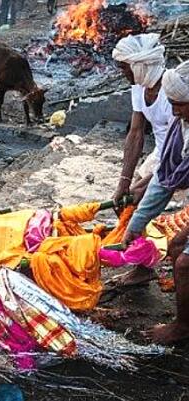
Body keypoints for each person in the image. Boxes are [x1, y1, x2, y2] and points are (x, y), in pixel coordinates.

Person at [122, 60, 189, 344]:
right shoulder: (182, 126)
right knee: (176, 246)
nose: (174, 111)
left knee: (184, 262)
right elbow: (164, 179)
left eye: (181, 105)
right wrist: (137, 223)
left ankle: (183, 327)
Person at [111, 33, 173, 286]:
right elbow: (135, 133)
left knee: (141, 201)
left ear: (140, 65)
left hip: (181, 155)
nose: (123, 73)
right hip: (162, 151)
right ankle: (143, 264)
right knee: (128, 201)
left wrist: (149, 182)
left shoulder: (173, 92)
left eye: (125, 68)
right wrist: (124, 182)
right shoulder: (139, 87)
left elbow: (178, 146)